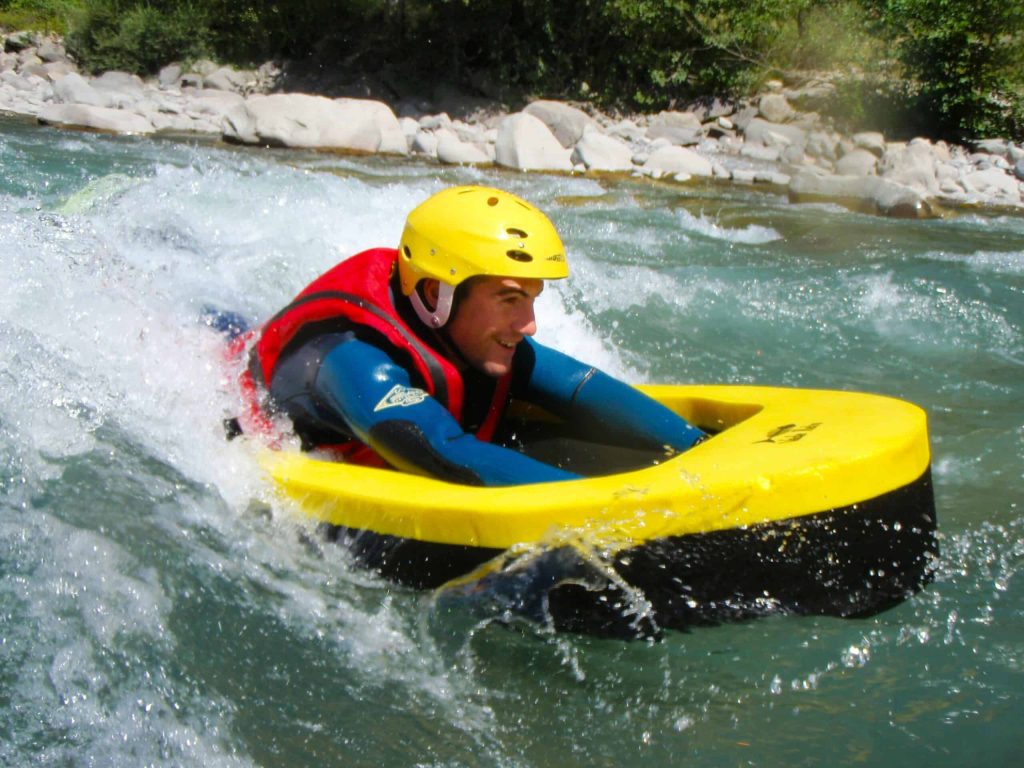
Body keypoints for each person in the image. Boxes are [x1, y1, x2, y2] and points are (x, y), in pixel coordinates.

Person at [242, 185, 706, 486]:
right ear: (434, 294)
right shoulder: (355, 361)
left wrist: (697, 446)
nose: (529, 325)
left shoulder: (476, 336)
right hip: (282, 418)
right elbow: (444, 452)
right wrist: (611, 507)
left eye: (532, 299)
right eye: (509, 300)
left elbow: (575, 384)